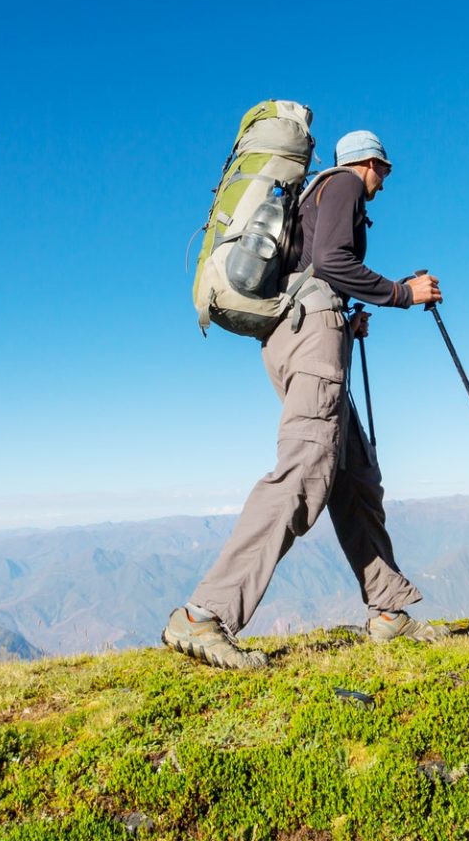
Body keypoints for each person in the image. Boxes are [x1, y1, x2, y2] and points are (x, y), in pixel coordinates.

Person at [164, 129, 446, 668]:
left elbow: (317, 270)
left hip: (303, 335)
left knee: (354, 475)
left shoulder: (310, 196)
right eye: (384, 170)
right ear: (368, 163)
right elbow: (334, 260)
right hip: (312, 339)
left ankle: (387, 608)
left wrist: (345, 316)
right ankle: (204, 615)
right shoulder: (341, 185)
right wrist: (401, 294)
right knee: (304, 472)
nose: (384, 182)